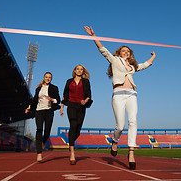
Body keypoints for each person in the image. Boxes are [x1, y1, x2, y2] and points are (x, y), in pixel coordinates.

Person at [84, 26, 156, 170]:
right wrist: (93, 35)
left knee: (133, 121)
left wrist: (153, 56)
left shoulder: (133, 67)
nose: (126, 52)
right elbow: (102, 49)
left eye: (128, 51)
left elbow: (145, 65)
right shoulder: (115, 60)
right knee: (120, 126)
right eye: (123, 50)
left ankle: (131, 152)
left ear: (130, 54)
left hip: (131, 94)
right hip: (118, 95)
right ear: (119, 53)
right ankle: (115, 141)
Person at [60, 64, 92, 165]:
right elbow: (65, 95)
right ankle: (72, 153)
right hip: (71, 106)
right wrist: (62, 108)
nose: (79, 70)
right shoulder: (69, 81)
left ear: (83, 71)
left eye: (81, 69)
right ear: (74, 71)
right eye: (77, 69)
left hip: (81, 106)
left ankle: (71, 141)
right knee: (73, 125)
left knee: (78, 128)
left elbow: (89, 95)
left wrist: (85, 101)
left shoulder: (86, 81)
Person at [25, 72, 61, 162]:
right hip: (39, 111)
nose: (48, 79)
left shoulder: (54, 88)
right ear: (43, 78)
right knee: (39, 129)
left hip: (49, 111)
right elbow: (34, 99)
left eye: (49, 77)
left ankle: (44, 141)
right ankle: (39, 153)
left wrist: (51, 99)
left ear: (51, 79)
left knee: (47, 131)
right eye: (46, 77)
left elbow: (58, 100)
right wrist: (29, 107)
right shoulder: (38, 89)